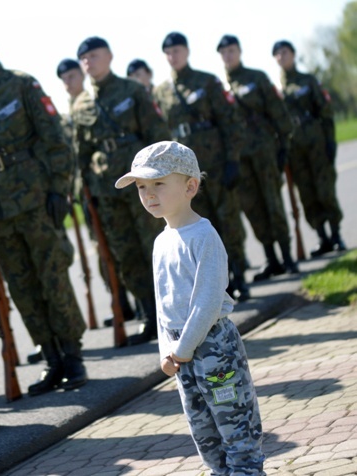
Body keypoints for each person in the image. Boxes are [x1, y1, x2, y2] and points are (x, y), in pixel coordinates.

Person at [0, 24, 88, 395]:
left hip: (36, 201)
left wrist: (60, 190)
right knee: (22, 287)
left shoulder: (21, 84)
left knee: (52, 275)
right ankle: (51, 358)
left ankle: (73, 355)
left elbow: (55, 138)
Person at [115, 140, 265, 475]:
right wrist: (165, 350)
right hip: (181, 355)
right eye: (141, 187)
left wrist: (180, 350)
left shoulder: (203, 236)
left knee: (236, 432)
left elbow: (207, 303)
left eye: (158, 184)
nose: (148, 194)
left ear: (190, 186)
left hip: (213, 348)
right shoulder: (160, 241)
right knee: (205, 437)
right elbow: (162, 303)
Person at [74, 36, 171, 344]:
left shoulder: (133, 91)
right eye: (84, 58)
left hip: (143, 185)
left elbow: (156, 134)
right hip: (107, 192)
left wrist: (165, 178)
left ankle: (173, 309)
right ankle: (148, 313)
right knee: (126, 255)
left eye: (94, 55)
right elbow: (81, 154)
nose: (89, 61)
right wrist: (82, 192)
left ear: (110, 56)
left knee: (155, 247)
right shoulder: (82, 105)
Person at [154, 32, 250, 302]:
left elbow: (230, 122)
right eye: (168, 52)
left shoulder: (207, 82)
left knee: (227, 221)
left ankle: (239, 275)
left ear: (187, 51)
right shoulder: (161, 92)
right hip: (184, 174)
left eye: (177, 50)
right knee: (197, 227)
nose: (173, 56)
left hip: (216, 165)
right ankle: (213, 287)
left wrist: (233, 159)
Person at [56, 57, 137, 329]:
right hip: (85, 193)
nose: (69, 82)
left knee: (124, 246)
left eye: (72, 76)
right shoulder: (66, 116)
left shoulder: (94, 105)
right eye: (64, 78)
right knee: (103, 250)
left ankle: (140, 303)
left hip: (105, 188)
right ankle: (121, 304)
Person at [217, 34, 298, 280]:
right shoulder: (219, 86)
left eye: (232, 50)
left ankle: (287, 257)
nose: (228, 55)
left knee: (272, 202)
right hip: (239, 157)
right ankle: (271, 259)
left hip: (263, 150)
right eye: (224, 52)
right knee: (252, 208)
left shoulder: (256, 77)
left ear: (239, 51)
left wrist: (283, 144)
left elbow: (277, 111)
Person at [272, 40, 345, 255]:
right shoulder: (276, 89)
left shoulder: (308, 80)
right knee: (306, 193)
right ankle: (322, 237)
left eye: (284, 52)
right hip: (295, 150)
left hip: (316, 144)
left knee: (325, 189)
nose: (281, 57)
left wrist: (330, 141)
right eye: (276, 54)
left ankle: (336, 234)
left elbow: (326, 112)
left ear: (293, 54)